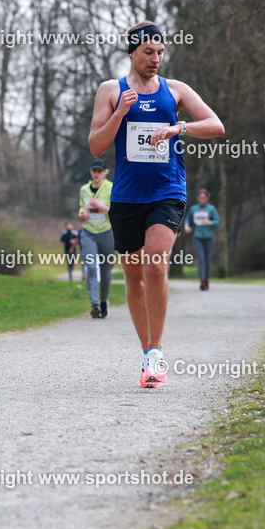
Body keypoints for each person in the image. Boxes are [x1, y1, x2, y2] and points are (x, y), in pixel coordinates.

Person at [88, 21, 225, 388]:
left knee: (154, 266)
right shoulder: (110, 90)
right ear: (132, 52)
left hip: (168, 191)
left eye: (161, 52)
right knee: (133, 279)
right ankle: (146, 351)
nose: (156, 59)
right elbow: (96, 147)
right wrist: (119, 113)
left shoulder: (175, 90)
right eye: (148, 52)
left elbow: (216, 125)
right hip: (127, 197)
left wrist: (179, 128)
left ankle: (157, 352)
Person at [78, 159, 115, 318]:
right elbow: (82, 207)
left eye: (99, 171)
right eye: (94, 171)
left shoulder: (111, 187)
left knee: (106, 271)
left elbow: (115, 211)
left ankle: (103, 301)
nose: (96, 174)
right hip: (88, 232)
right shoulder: (84, 189)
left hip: (107, 232)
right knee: (91, 268)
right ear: (91, 172)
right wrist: (81, 215)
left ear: (105, 172)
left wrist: (100, 206)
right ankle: (94, 304)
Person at [184, 189, 221, 290]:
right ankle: (202, 282)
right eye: (200, 198)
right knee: (201, 259)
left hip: (209, 237)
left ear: (207, 198)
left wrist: (210, 222)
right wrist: (186, 226)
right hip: (197, 237)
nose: (202, 200)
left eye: (204, 198)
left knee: (207, 261)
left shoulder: (211, 209)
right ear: (198, 198)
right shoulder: (193, 209)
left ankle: (206, 279)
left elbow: (217, 221)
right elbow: (188, 219)